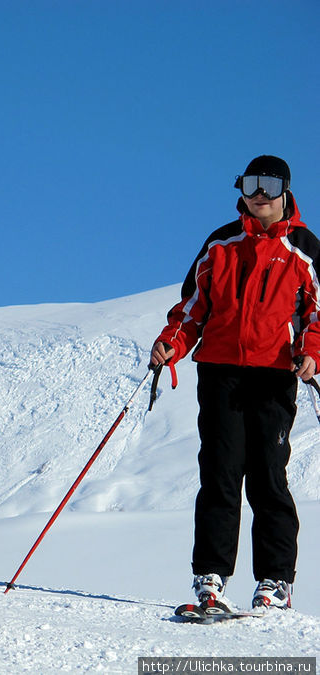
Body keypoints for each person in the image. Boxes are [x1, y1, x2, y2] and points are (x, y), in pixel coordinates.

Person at [151, 155, 319, 612]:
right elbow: (193, 307)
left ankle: (274, 581)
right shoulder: (221, 242)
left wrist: (311, 352)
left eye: (267, 184)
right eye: (249, 184)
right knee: (220, 476)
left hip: (274, 375)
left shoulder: (304, 248)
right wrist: (172, 342)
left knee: (268, 478)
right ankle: (211, 578)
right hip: (221, 371)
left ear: (285, 189)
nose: (258, 193)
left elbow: (315, 314)